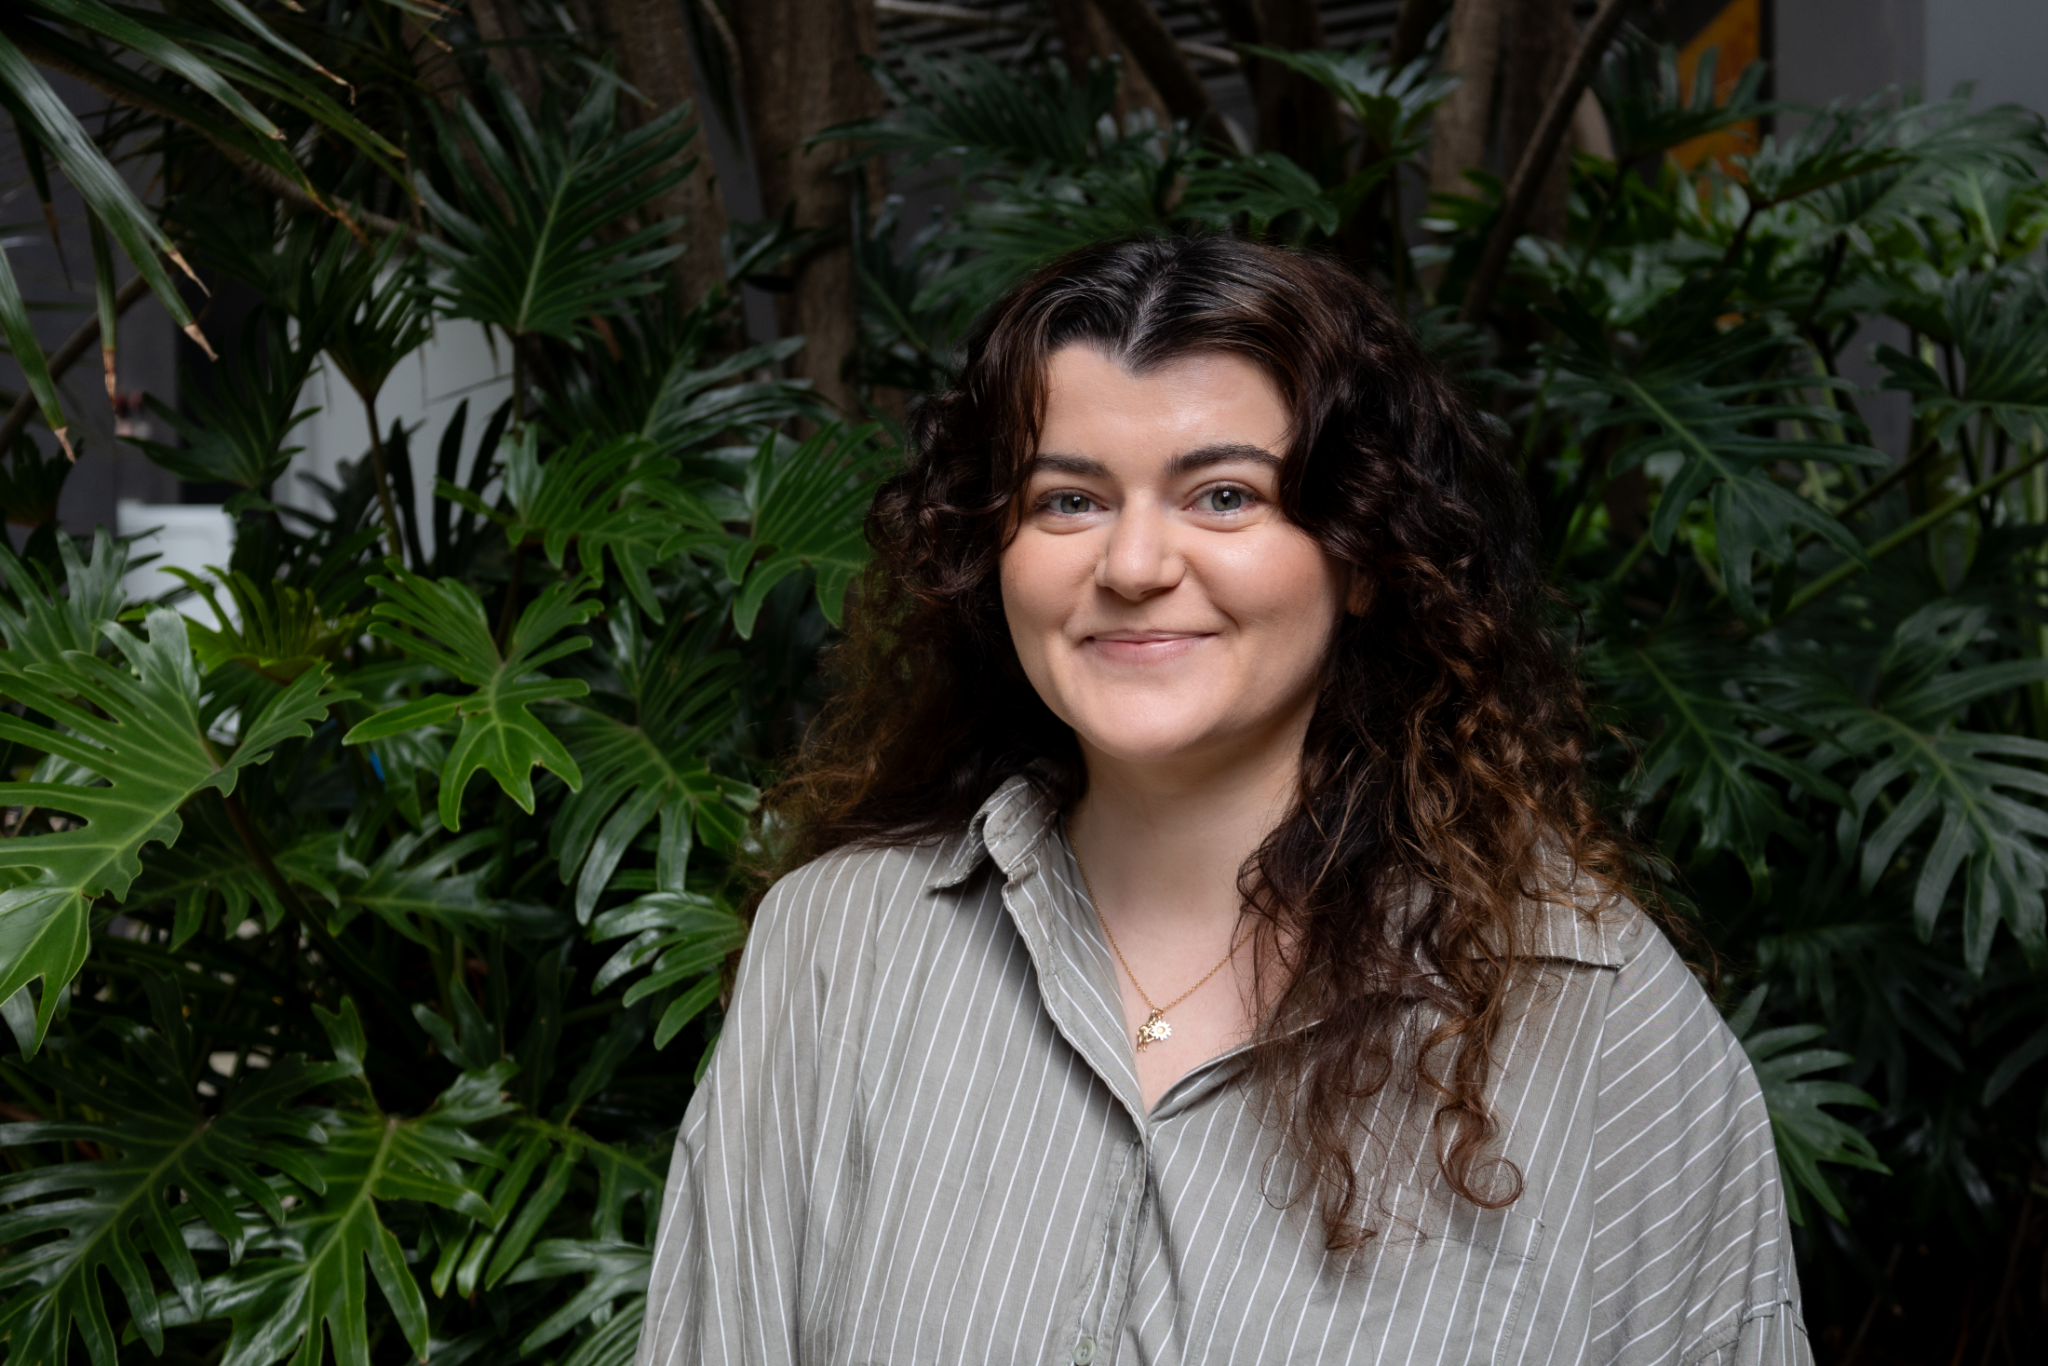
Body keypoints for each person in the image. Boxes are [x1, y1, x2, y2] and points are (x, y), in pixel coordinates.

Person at [634, 235, 1810, 1366]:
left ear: (1361, 554)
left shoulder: (1595, 1016)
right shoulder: (839, 947)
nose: (1134, 565)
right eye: (1067, 501)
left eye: (1222, 496)